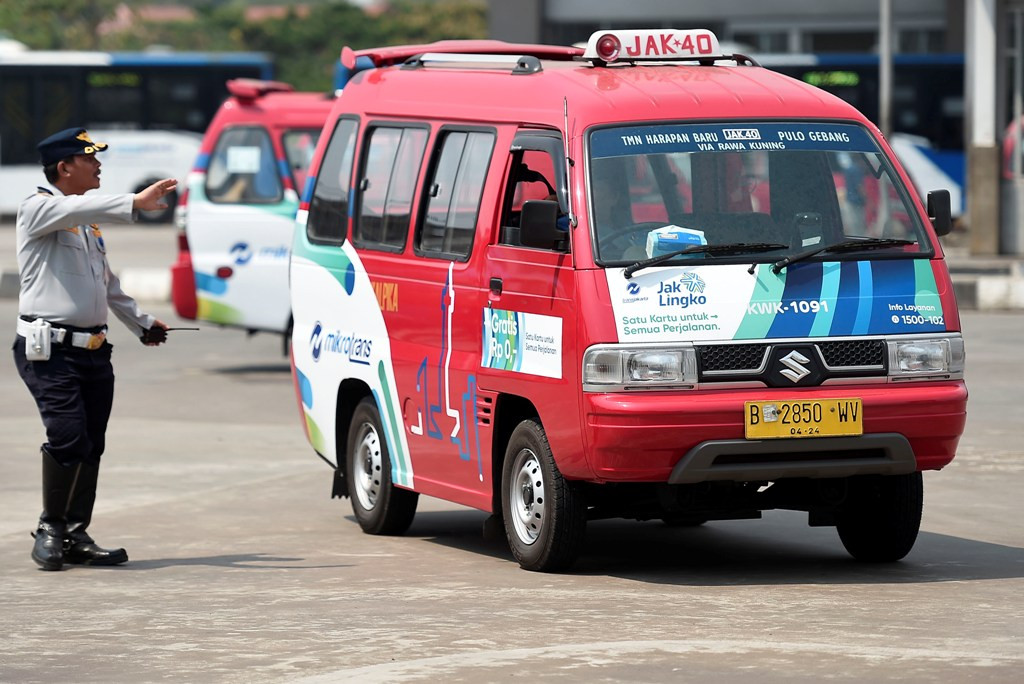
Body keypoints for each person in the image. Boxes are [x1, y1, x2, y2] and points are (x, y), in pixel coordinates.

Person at [12, 127, 177, 571]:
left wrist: (142, 324)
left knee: (90, 443)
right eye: (89, 159)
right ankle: (51, 528)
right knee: (68, 436)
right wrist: (135, 202)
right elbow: (72, 208)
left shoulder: (86, 224)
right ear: (64, 167)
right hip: (50, 351)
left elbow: (107, 284)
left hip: (93, 350)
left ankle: (75, 533)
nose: (98, 165)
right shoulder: (38, 208)